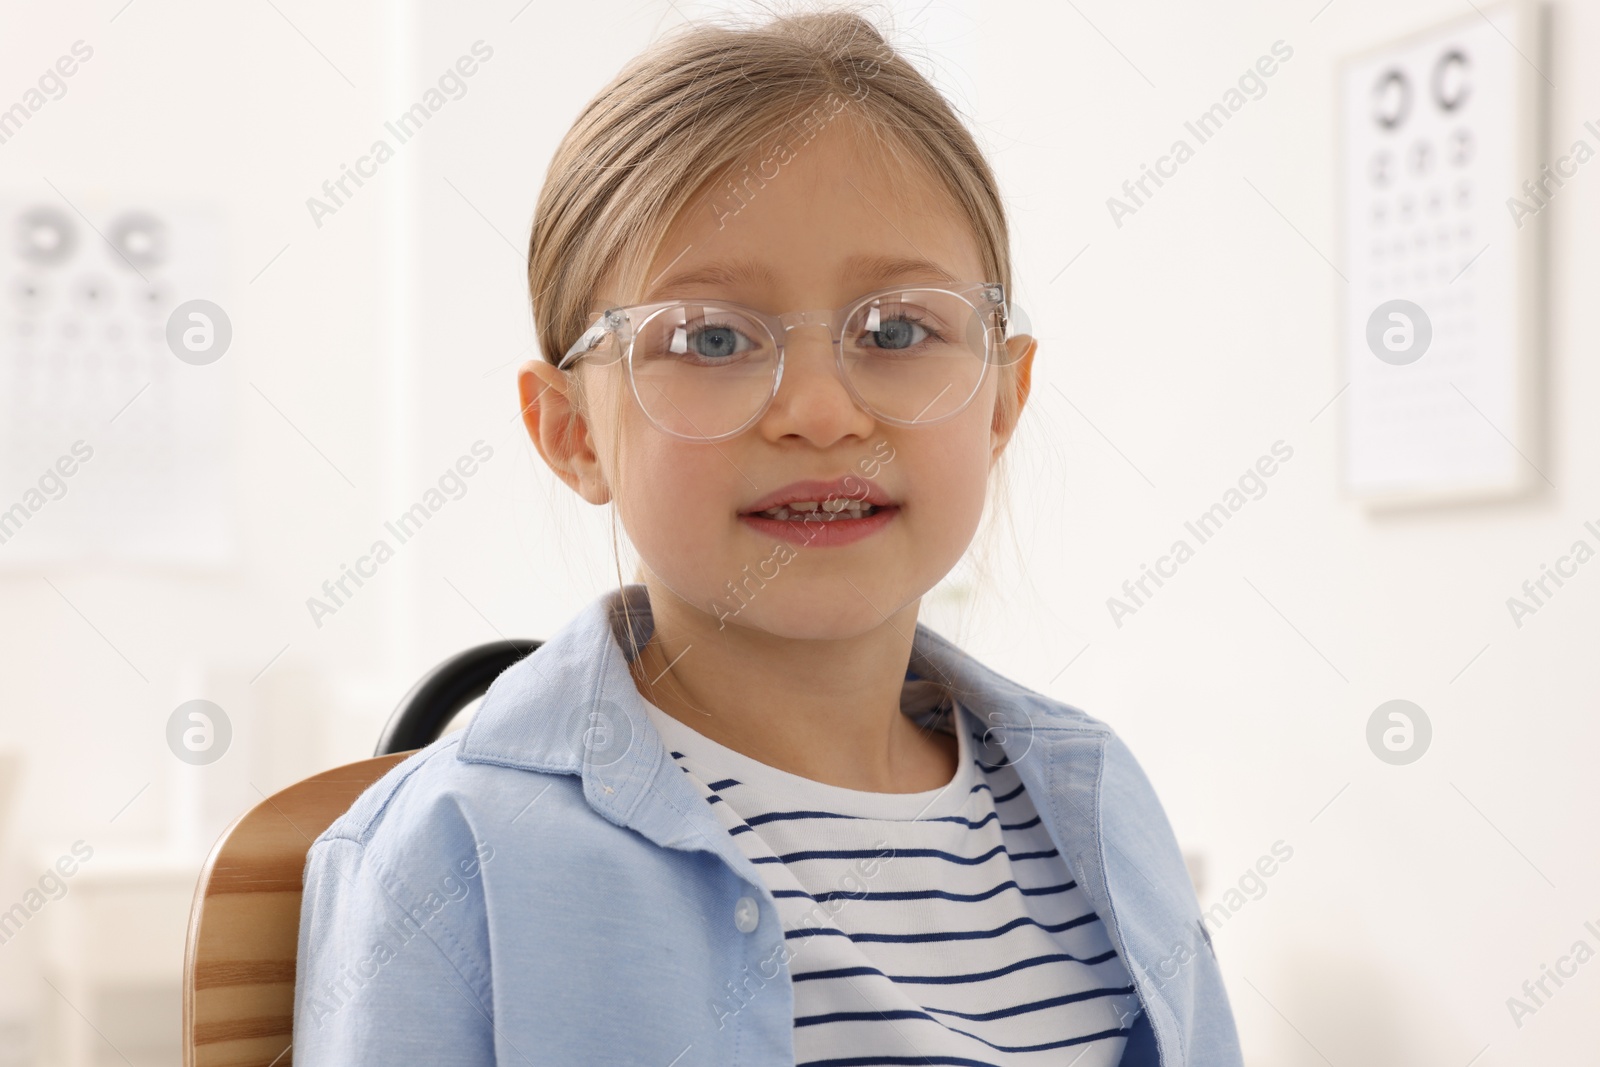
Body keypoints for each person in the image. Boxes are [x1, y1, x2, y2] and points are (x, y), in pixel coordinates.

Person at [292, 7, 1243, 1064]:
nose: (821, 411)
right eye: (708, 338)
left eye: (895, 331)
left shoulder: (1100, 813)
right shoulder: (448, 854)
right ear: (570, 433)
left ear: (1000, 402)